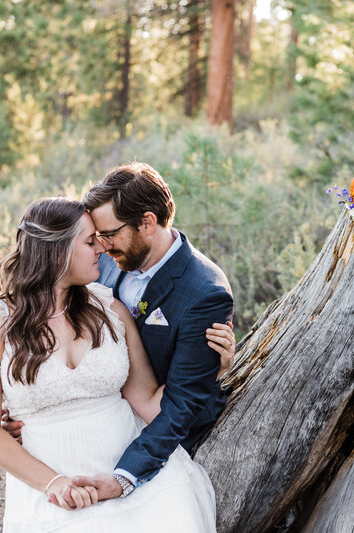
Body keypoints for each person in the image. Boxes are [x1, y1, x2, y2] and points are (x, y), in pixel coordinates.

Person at [0, 198, 234, 532]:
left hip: (129, 472)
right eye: (90, 242)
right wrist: (54, 483)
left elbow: (149, 403)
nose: (101, 249)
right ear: (57, 251)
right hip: (48, 486)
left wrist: (209, 367)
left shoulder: (110, 309)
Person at [58, 162, 235, 501]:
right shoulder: (105, 259)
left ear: (148, 222)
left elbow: (181, 405)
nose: (103, 246)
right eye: (98, 236)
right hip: (102, 413)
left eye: (110, 234)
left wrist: (124, 477)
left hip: (160, 432)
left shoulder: (205, 293)